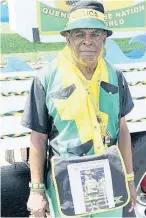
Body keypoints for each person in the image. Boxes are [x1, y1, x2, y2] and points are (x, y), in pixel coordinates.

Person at [21, 0, 136, 217]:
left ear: (105, 37)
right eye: (79, 35)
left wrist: (129, 178)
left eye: (94, 34)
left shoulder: (116, 76)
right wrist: (36, 191)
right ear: (67, 38)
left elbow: (122, 130)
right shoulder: (46, 79)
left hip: (108, 178)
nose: (87, 41)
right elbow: (38, 137)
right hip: (66, 181)